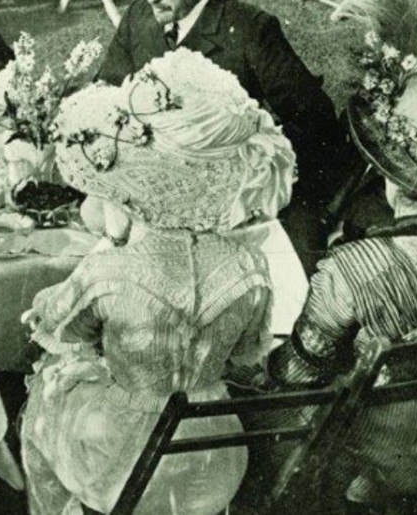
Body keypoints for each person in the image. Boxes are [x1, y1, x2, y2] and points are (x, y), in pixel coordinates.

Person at [265, 0, 417, 508]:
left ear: (392, 177)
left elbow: (300, 375)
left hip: (368, 449)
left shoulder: (355, 267)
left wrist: (256, 364)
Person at [22, 52, 296, 515]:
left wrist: (49, 304)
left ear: (130, 196)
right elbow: (247, 351)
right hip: (214, 449)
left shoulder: (108, 273)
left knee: (46, 389)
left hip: (125, 460)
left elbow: (60, 328)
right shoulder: (249, 269)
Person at [97, 0, 355, 265]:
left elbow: (313, 119)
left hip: (230, 191)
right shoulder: (139, 17)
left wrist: (256, 166)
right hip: (152, 184)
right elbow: (107, 93)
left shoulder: (250, 30)